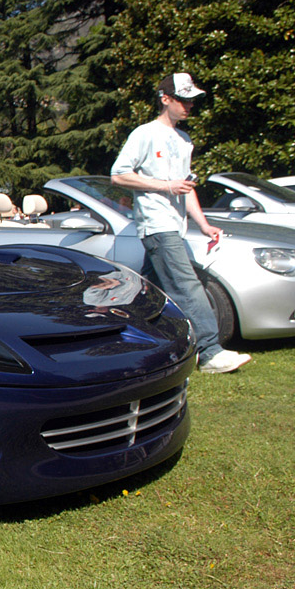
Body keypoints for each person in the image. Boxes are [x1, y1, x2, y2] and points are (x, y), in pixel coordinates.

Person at [110, 72, 249, 374]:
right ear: (165, 99)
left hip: (176, 226)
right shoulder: (144, 133)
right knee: (188, 285)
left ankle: (128, 342)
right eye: (183, 100)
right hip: (157, 224)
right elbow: (118, 174)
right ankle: (210, 352)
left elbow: (186, 187)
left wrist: (203, 224)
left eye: (192, 100)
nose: (188, 106)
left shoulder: (183, 140)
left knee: (146, 291)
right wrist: (165, 186)